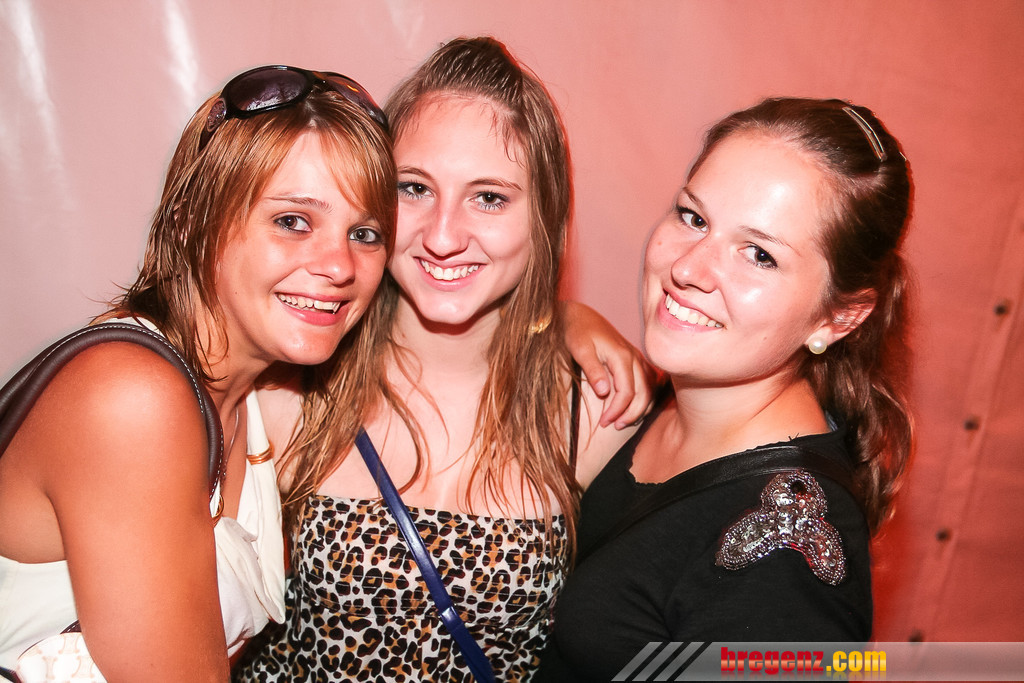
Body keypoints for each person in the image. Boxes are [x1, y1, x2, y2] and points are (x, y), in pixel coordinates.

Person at [237, 37, 644, 682]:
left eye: (489, 197)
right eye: (414, 188)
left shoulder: (597, 411)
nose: (444, 236)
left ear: (545, 218)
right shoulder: (288, 391)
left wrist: (566, 317)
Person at [0, 65, 396, 681]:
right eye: (293, 221)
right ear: (194, 222)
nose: (341, 265)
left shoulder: (258, 400)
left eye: (364, 233)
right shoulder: (131, 396)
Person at [537, 97, 915, 680]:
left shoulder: (785, 555)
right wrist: (559, 318)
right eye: (693, 218)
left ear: (837, 317)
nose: (688, 269)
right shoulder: (661, 404)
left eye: (759, 255)